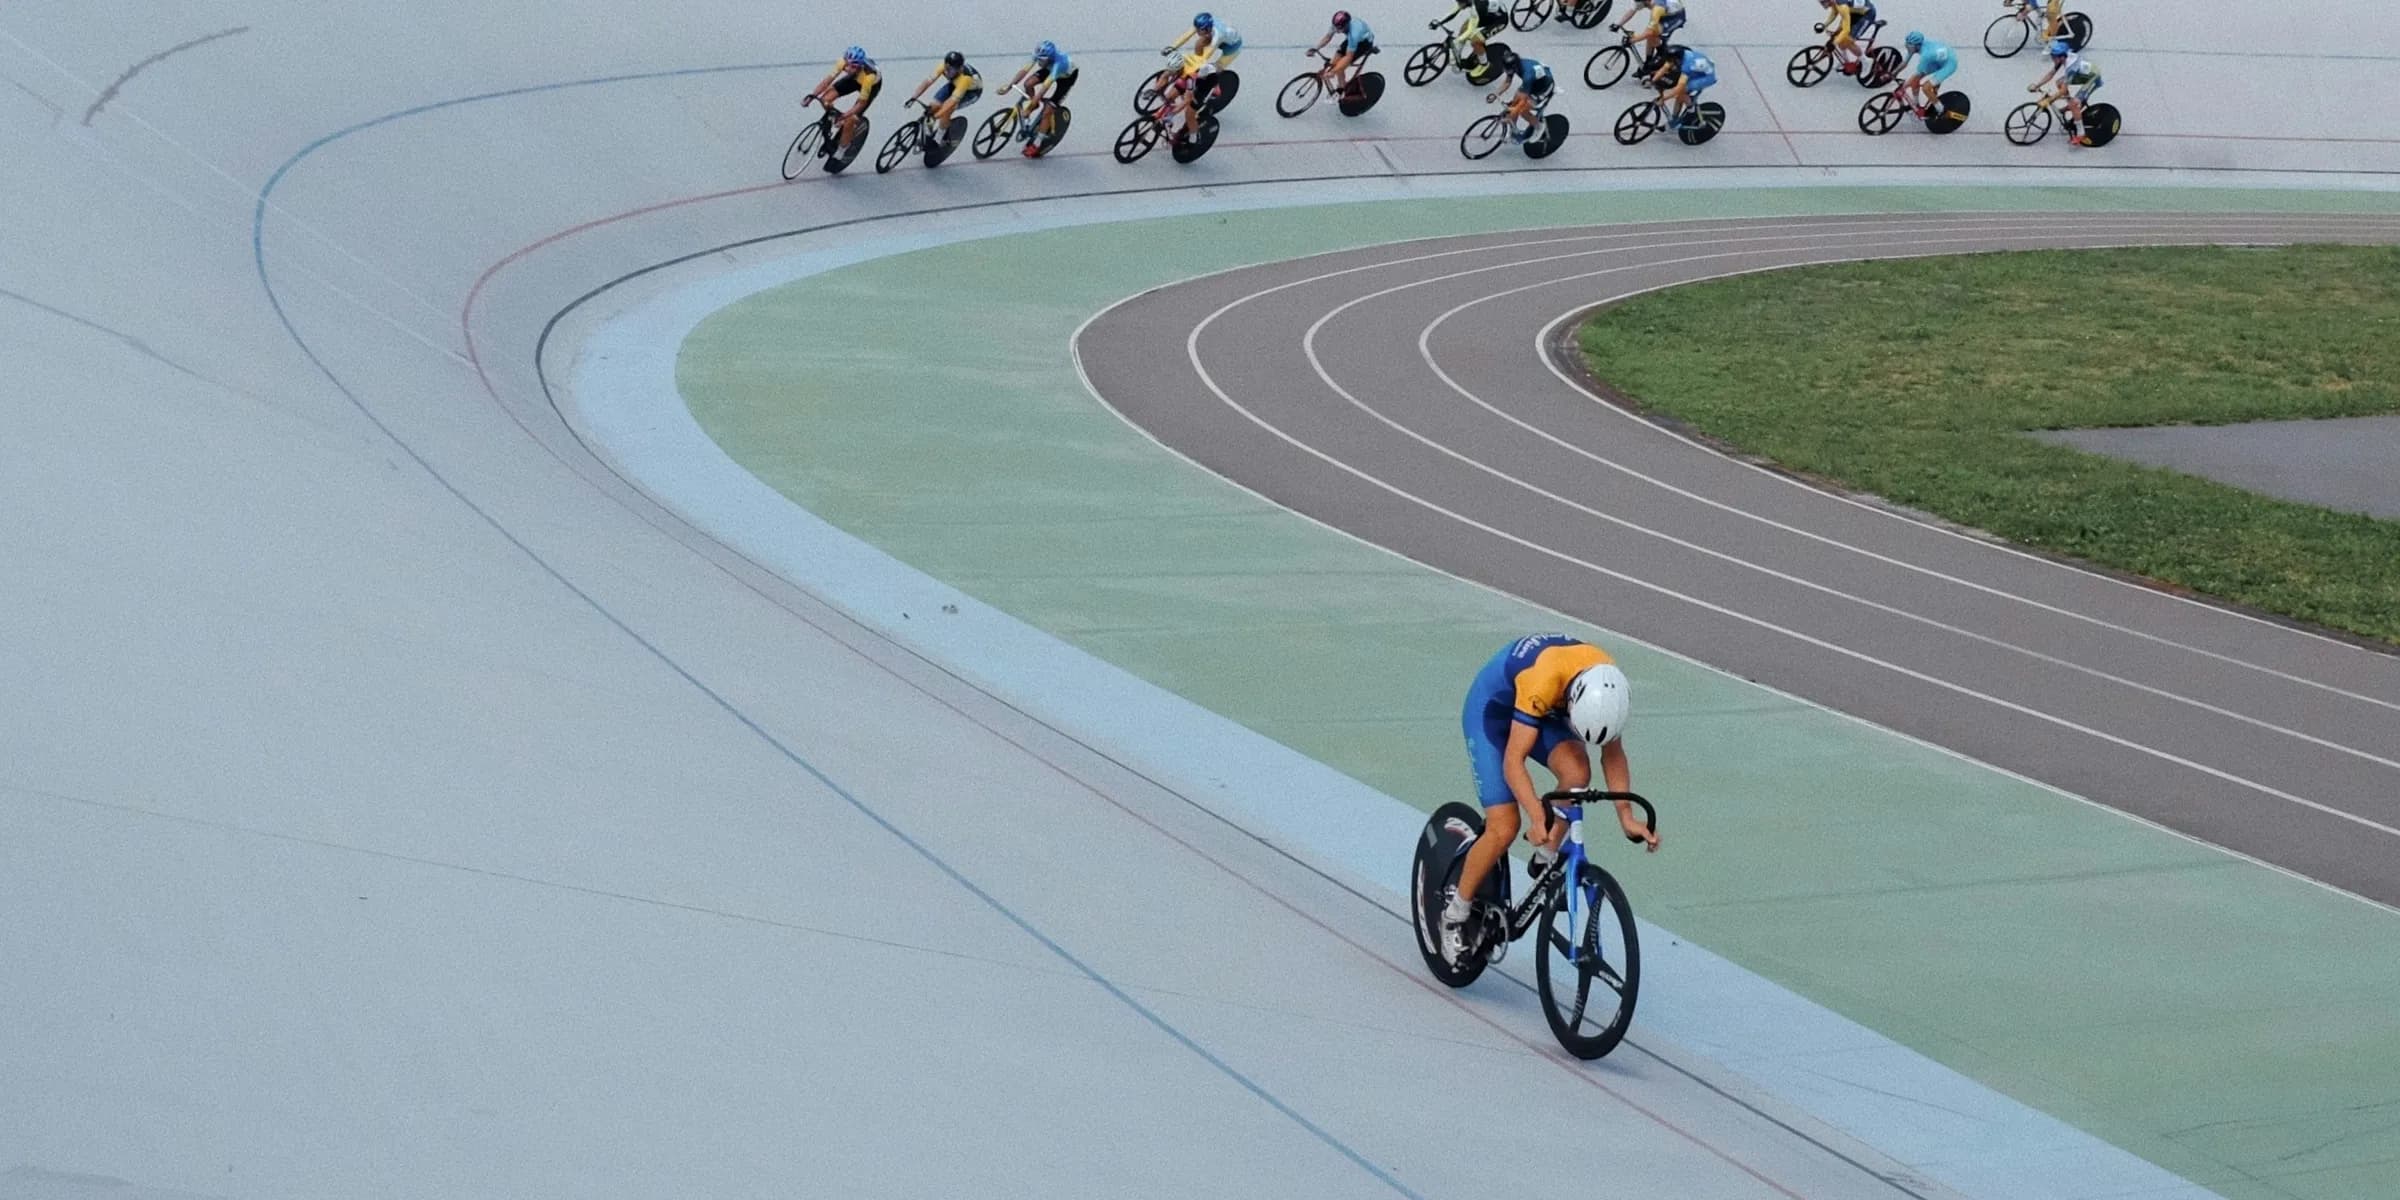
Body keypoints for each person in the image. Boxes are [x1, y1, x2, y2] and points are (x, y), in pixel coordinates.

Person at [1441, 634, 1656, 967]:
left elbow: (1612, 755)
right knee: (1504, 826)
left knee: (1577, 772)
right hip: (1494, 712)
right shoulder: (1542, 679)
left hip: (1548, 711)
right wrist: (1535, 816)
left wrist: (1626, 816)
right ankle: (1454, 913)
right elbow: (1514, 761)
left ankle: (1546, 853)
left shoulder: (1607, 688)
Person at [998, 41, 1078, 156]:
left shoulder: (1059, 64)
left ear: (1049, 59)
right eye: (1038, 59)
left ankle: (1037, 144)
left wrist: (1028, 108)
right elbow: (1024, 70)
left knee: (1047, 111)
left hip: (1066, 78)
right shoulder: (1042, 56)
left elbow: (1043, 89)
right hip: (1049, 69)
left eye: (1042, 60)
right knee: (1028, 84)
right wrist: (1009, 85)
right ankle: (1035, 105)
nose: (1039, 62)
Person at [805, 46, 881, 156]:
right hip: (854, 79)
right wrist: (812, 96)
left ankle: (842, 149)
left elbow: (861, 103)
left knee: (851, 119)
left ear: (860, 66)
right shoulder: (842, 62)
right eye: (847, 65)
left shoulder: (869, 76)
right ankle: (833, 118)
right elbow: (827, 81)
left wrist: (846, 115)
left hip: (870, 85)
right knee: (825, 99)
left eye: (853, 66)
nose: (849, 69)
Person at [2028, 37, 2102, 143]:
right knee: (2059, 82)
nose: (2052, 59)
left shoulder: (2070, 67)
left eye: (2053, 57)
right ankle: (2071, 104)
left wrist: (2049, 100)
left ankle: (2081, 133)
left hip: (2093, 78)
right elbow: (2051, 74)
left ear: (2062, 57)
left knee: (2074, 104)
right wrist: (2037, 85)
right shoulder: (2062, 58)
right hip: (2082, 74)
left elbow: (2063, 91)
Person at [1483, 44, 1555, 141]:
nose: (1505, 71)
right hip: (1534, 82)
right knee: (1515, 102)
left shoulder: (1527, 75)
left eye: (1507, 70)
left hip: (1543, 87)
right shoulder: (1515, 65)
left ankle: (1539, 126)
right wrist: (1496, 94)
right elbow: (1508, 81)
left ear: (1514, 68)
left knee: (1522, 110)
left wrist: (1515, 110)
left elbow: (1523, 100)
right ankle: (1514, 131)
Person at [909, 51, 983, 134]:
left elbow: (951, 102)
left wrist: (935, 117)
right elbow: (927, 82)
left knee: (946, 111)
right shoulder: (943, 66)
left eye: (952, 70)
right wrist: (914, 97)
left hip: (971, 92)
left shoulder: (965, 79)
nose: (948, 72)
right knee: (933, 105)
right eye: (947, 68)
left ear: (959, 69)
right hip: (955, 84)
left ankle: (939, 138)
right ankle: (929, 133)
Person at [1431, 0, 1510, 73]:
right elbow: (1454, 12)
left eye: (1460, 3)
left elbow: (1470, 31)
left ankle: (1484, 65)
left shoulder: (1476, 8)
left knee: (1475, 41)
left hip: (1499, 21)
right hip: (1487, 14)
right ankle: (1457, 56)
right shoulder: (1468, 1)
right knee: (1464, 28)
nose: (1459, 4)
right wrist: (1439, 22)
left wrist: (1457, 40)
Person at [1647, 43, 1717, 124]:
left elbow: (1679, 88)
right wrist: (1652, 81)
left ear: (1677, 60)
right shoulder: (1679, 56)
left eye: (1671, 61)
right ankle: (1675, 118)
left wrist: (1663, 99)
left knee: (1681, 92)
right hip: (1698, 69)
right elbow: (1665, 67)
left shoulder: (1686, 66)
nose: (1670, 63)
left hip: (1706, 77)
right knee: (1678, 93)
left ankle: (1691, 108)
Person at [1311, 10, 1379, 89]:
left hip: (1364, 43)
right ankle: (1342, 85)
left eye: (1340, 29)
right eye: (1336, 28)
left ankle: (1341, 89)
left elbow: (1348, 56)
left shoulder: (1355, 33)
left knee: (1340, 65)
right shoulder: (1336, 24)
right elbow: (1327, 37)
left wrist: (1333, 72)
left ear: (1346, 25)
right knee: (1333, 63)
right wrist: (1315, 48)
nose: (1337, 31)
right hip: (1351, 39)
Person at [1612, 0, 1687, 67]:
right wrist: (1618, 24)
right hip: (1664, 12)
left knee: (1653, 33)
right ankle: (1648, 62)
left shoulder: (1657, 8)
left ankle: (1661, 53)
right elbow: (1632, 10)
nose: (1638, 5)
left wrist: (1634, 40)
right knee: (1650, 35)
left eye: (1640, 3)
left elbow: (1649, 32)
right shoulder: (1644, 1)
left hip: (1675, 17)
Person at [1898, 30, 1957, 111]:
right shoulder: (1915, 46)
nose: (1907, 46)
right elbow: (1904, 63)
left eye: (1909, 45)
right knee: (1914, 81)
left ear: (1917, 46)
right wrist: (1893, 74)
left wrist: (1905, 85)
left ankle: (1941, 110)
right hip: (1936, 60)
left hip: (1949, 64)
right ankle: (1915, 105)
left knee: (1926, 88)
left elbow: (1918, 73)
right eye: (1907, 43)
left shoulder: (1925, 56)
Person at [1815, 0, 1878, 75]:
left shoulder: (1842, 7)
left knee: (1848, 41)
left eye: (1823, 2)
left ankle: (1866, 61)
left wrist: (1834, 44)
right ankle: (1846, 62)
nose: (1822, 5)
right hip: (1854, 12)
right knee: (1839, 38)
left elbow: (1846, 30)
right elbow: (1834, 13)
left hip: (1867, 15)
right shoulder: (1835, 2)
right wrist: (1824, 25)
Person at [1164, 11, 1245, 69]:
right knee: (1199, 43)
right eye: (1197, 29)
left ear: (1207, 28)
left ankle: (1216, 88)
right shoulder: (1203, 25)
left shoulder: (1218, 35)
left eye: (1200, 30)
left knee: (1216, 68)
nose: (1197, 32)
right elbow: (1187, 35)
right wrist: (1172, 47)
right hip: (1218, 36)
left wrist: (1197, 63)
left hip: (1232, 47)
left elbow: (1208, 53)